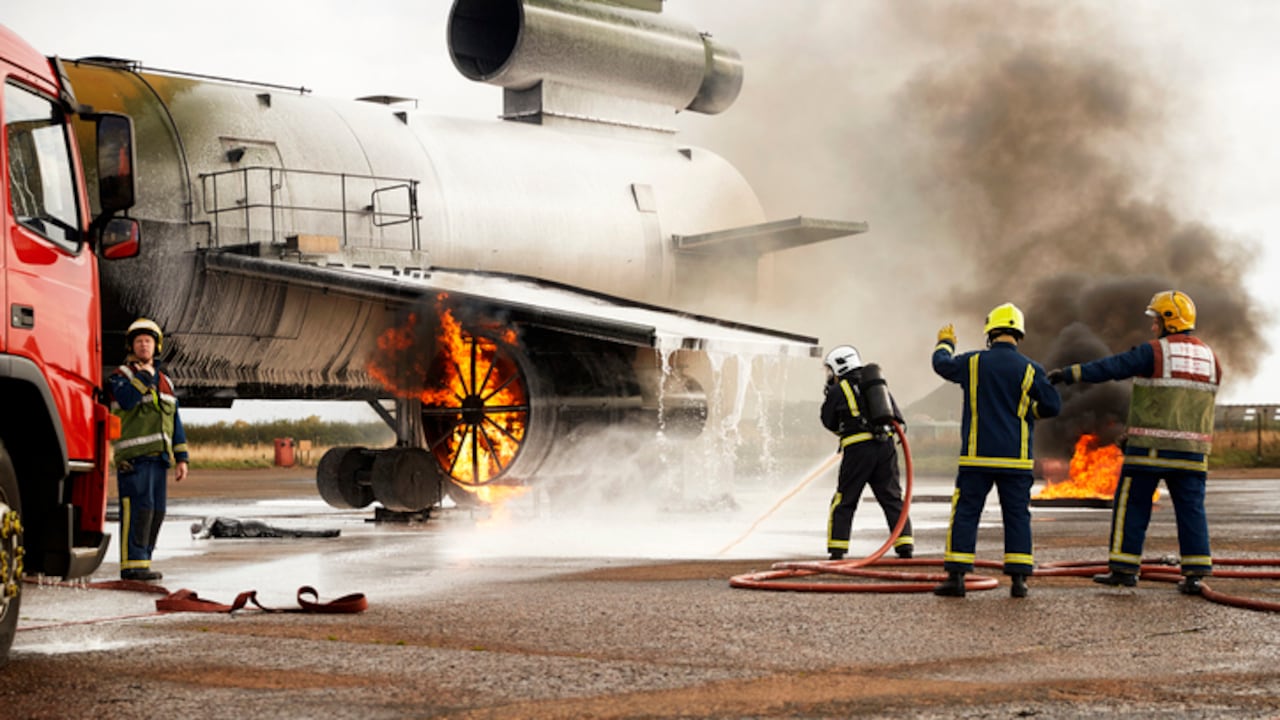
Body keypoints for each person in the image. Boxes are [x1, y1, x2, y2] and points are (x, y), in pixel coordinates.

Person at [1047, 290, 1221, 595]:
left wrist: (1071, 373)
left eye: (1156, 320)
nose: (1153, 327)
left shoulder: (1155, 352)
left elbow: (1112, 367)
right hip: (1193, 454)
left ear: (1169, 320)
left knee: (1132, 506)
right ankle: (1195, 575)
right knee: (1192, 510)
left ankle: (1124, 570)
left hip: (1150, 451)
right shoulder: (1211, 359)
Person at [931, 303, 1061, 598]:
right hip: (1015, 460)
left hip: (977, 457)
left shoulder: (973, 362)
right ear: (1018, 334)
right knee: (1016, 516)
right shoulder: (1031, 368)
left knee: (966, 513)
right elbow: (1053, 405)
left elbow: (941, 365)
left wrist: (945, 343)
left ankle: (957, 579)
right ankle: (1019, 582)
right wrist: (1028, 411)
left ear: (990, 333)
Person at [108, 318, 189, 581]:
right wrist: (143, 376)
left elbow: (174, 421)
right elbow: (127, 401)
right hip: (134, 459)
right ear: (132, 346)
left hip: (159, 458)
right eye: (139, 341)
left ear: (156, 347)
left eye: (148, 341)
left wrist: (182, 458)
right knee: (137, 509)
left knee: (156, 511)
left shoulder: (166, 382)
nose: (144, 345)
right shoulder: (121, 376)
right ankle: (131, 566)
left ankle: (143, 562)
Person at [820, 345, 914, 561]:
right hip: (886, 448)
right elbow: (895, 417)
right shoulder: (876, 386)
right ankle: (905, 546)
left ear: (839, 367)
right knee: (892, 498)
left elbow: (828, 421)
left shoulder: (838, 390)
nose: (829, 376)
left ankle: (837, 551)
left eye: (830, 370)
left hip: (858, 451)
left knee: (845, 500)